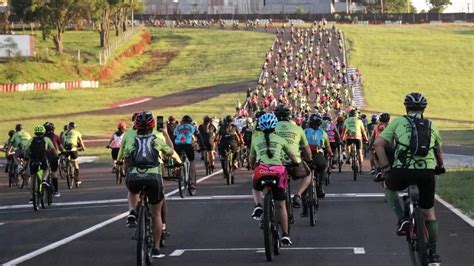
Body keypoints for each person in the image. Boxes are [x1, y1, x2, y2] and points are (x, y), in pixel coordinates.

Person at [374, 92, 444, 265]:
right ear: (424, 109)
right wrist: (440, 166)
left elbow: (378, 144)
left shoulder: (398, 122)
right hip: (427, 172)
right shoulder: (431, 125)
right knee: (429, 213)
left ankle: (402, 218)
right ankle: (433, 252)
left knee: (389, 188)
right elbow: (438, 151)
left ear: (406, 108)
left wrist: (385, 167)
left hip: (402, 169)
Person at [123, 111, 182, 259]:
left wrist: (125, 171)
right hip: (154, 177)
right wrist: (178, 161)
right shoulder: (156, 138)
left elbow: (124, 158)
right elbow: (171, 152)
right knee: (156, 214)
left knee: (132, 191)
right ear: (153, 126)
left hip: (134, 176)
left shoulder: (131, 138)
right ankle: (156, 248)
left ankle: (132, 211)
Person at [249, 113, 299, 246]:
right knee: (281, 205)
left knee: (255, 184)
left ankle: (258, 205)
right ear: (275, 126)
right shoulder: (281, 139)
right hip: (278, 172)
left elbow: (251, 159)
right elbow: (292, 155)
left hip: (262, 172)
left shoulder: (256, 140)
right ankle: (285, 234)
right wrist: (296, 162)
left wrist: (252, 165)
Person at [273, 105, 312, 209]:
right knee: (308, 175)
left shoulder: (272, 128)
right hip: (293, 161)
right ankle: (298, 195)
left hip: (276, 162)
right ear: (289, 116)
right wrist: (309, 160)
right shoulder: (298, 128)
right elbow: (307, 150)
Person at [26, 125, 59, 203]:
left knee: (33, 177)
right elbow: (53, 149)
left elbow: (26, 150)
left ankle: (32, 197)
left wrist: (27, 157)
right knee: (46, 169)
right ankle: (44, 180)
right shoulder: (46, 139)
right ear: (43, 132)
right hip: (43, 158)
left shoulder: (31, 140)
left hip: (33, 159)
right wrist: (55, 156)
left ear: (35, 132)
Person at [304, 114, 333, 199]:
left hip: (306, 155)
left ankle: (303, 192)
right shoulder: (322, 133)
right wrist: (331, 154)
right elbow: (328, 147)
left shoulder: (305, 131)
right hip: (318, 154)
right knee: (322, 169)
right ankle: (320, 189)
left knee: (305, 174)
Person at [174, 115, 200, 189]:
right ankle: (192, 182)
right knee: (192, 162)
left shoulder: (177, 127)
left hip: (178, 146)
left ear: (182, 121)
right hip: (188, 145)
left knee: (177, 159)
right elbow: (199, 136)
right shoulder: (193, 126)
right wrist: (202, 146)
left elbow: (174, 137)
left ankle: (177, 170)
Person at [215, 115, 244, 180]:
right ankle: (235, 161)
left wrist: (216, 142)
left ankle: (224, 167)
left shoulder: (221, 127)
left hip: (223, 144)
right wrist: (241, 142)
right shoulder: (234, 126)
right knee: (237, 151)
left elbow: (217, 136)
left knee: (222, 156)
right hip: (233, 143)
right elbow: (239, 135)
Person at [342, 109, 368, 174]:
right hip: (357, 137)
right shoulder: (359, 121)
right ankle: (361, 169)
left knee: (347, 147)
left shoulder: (346, 120)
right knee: (359, 152)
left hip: (349, 137)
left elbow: (344, 131)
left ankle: (348, 158)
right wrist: (366, 139)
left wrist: (342, 138)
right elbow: (363, 131)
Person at [369, 113, 390, 182]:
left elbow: (372, 137)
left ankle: (379, 170)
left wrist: (370, 145)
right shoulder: (390, 126)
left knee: (376, 158)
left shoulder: (376, 126)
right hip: (389, 145)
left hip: (379, 145)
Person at [44, 122, 62, 197]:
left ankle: (43, 181)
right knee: (54, 173)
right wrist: (63, 152)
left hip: (44, 156)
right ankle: (56, 191)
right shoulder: (56, 136)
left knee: (44, 169)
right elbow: (60, 147)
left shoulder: (43, 137)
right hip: (53, 156)